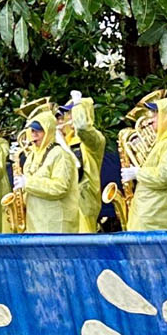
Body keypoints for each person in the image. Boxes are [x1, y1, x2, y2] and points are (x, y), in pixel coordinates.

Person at [125, 97, 167, 232]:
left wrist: (138, 173)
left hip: (157, 220)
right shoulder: (166, 142)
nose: (151, 119)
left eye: (157, 114)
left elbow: (164, 177)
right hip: (152, 217)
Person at [16, 110, 79, 233]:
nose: (34, 135)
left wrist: (28, 183)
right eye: (32, 131)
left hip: (56, 224)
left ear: (49, 131)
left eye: (39, 131)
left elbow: (60, 188)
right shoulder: (32, 155)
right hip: (34, 222)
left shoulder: (60, 155)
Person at [61, 94, 105, 233]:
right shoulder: (66, 139)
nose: (69, 117)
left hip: (84, 201)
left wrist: (78, 103)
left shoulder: (95, 139)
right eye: (68, 113)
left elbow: (83, 128)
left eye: (72, 112)